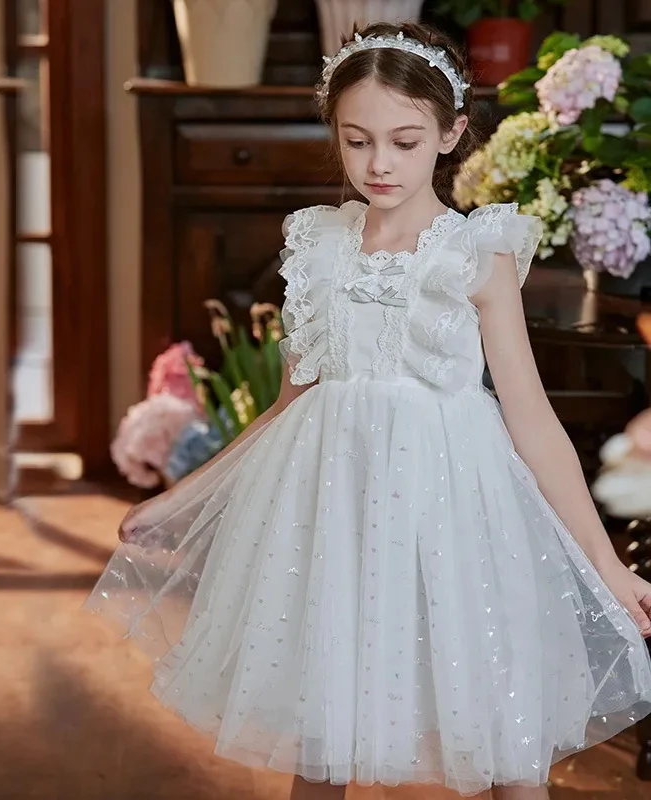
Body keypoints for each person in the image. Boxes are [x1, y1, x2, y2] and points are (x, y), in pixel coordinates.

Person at [86, 21, 651, 800]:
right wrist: (177, 497)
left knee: (498, 728)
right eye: (357, 142)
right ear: (336, 135)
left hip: (457, 514)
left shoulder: (475, 255)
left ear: (452, 134)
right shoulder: (316, 247)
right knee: (322, 726)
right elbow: (291, 400)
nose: (379, 163)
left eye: (405, 140)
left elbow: (532, 419)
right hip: (334, 516)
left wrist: (605, 561)